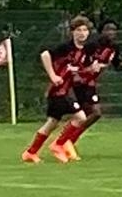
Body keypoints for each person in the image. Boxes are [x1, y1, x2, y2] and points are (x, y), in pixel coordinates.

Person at [52, 18, 122, 159]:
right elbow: (78, 60)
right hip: (77, 82)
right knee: (90, 113)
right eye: (107, 29)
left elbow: (116, 64)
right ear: (101, 31)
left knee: (90, 114)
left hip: (89, 83)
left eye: (113, 30)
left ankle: (66, 142)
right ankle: (64, 143)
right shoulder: (91, 45)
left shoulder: (114, 48)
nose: (111, 32)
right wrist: (85, 70)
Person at [24, 16, 91, 163]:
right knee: (80, 117)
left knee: (52, 123)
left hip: (65, 90)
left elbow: (76, 70)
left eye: (85, 30)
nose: (82, 33)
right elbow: (45, 54)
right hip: (57, 91)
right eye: (78, 30)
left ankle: (30, 152)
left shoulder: (83, 51)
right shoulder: (66, 47)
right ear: (72, 32)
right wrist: (53, 75)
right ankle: (58, 144)